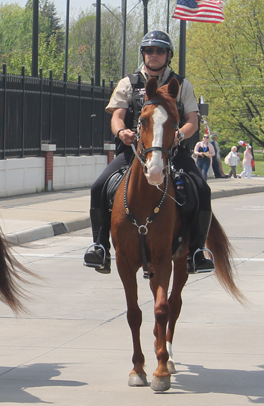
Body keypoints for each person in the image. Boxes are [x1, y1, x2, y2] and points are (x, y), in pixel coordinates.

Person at [83, 30, 215, 275]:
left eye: (160, 50)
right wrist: (122, 132)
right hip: (133, 151)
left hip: (172, 151)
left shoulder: (182, 84)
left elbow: (192, 121)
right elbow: (117, 117)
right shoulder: (128, 83)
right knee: (98, 187)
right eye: (149, 50)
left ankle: (196, 250)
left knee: (201, 188)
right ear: (143, 53)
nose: (154, 55)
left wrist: (180, 135)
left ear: (168, 55)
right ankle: (100, 246)